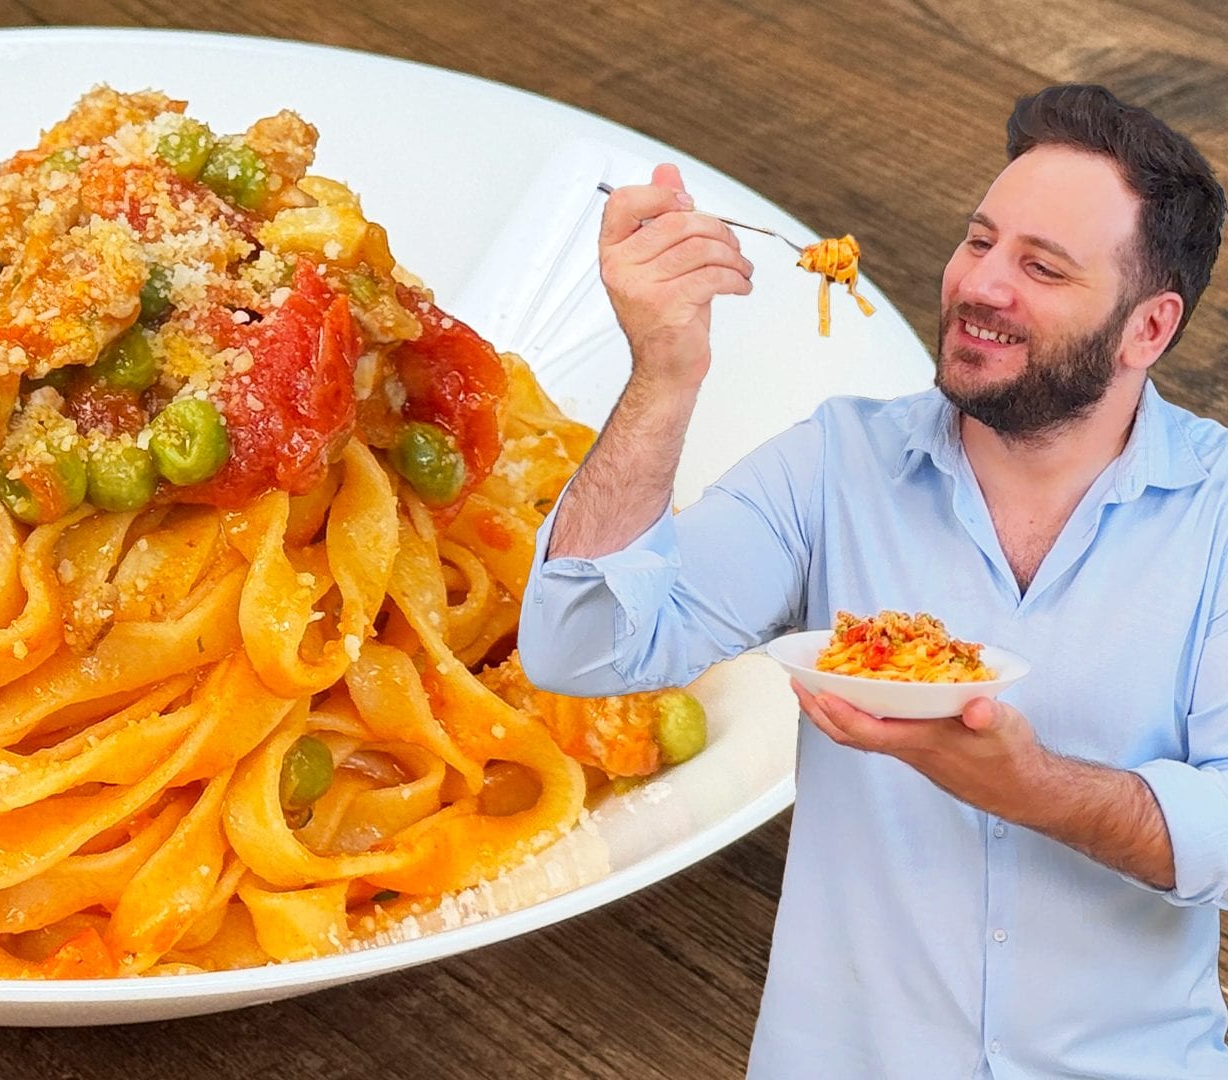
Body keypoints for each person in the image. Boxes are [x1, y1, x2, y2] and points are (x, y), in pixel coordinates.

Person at [517, 84, 1228, 1078]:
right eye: (980, 242)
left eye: (1042, 267)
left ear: (1147, 329)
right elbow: (581, 647)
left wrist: (1039, 791)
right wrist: (665, 373)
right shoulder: (832, 465)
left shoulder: (1218, 512)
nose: (982, 284)